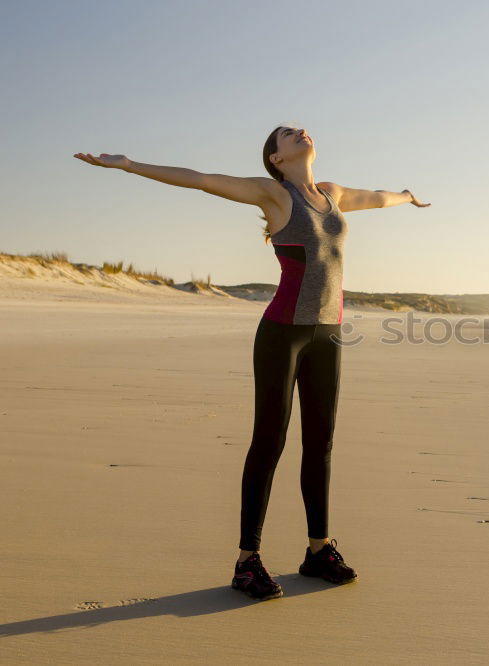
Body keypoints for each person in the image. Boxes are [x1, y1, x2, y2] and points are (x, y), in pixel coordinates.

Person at [73, 125, 431, 601]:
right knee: (270, 441)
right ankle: (247, 561)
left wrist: (407, 196)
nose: (298, 132)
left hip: (327, 334)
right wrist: (132, 166)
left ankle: (318, 549)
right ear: (276, 158)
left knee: (320, 441)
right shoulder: (273, 194)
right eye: (285, 134)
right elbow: (200, 178)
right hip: (282, 335)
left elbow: (377, 197)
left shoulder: (331, 194)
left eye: (298, 128)